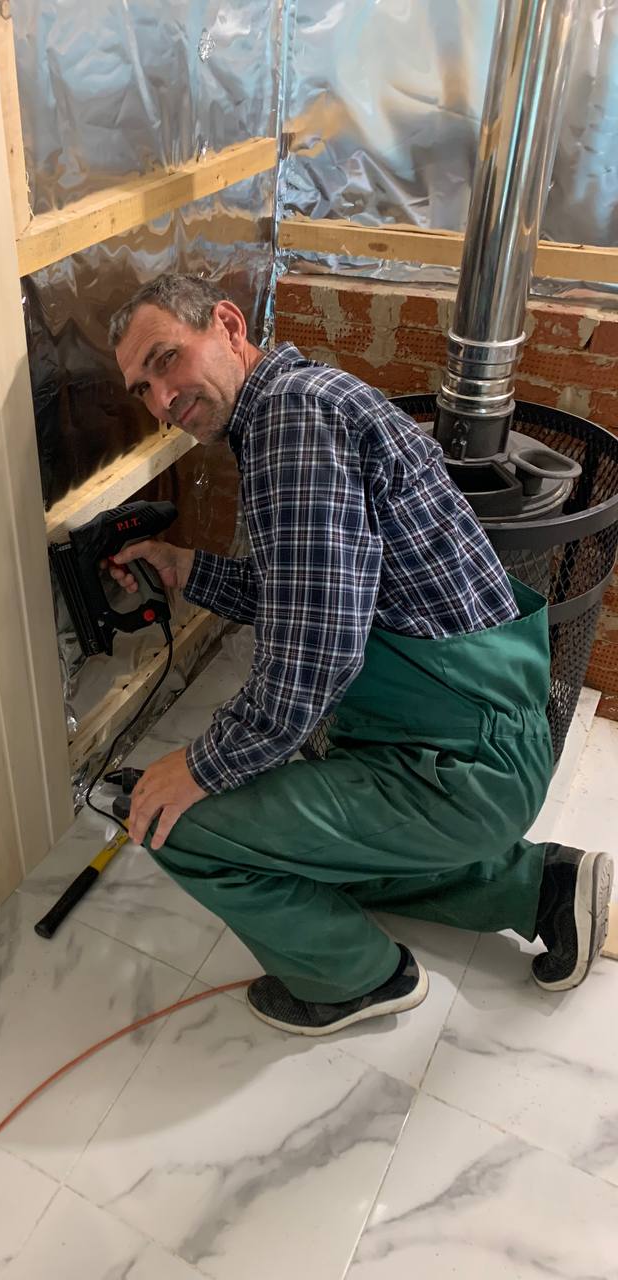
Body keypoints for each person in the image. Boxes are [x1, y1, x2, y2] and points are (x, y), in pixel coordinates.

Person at [105, 272, 613, 1036]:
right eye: (143, 389)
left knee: (174, 822)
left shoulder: (291, 422)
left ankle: (355, 981)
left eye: (166, 360)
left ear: (229, 325)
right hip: (474, 741)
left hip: (459, 765)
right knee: (310, 848)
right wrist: (187, 569)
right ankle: (544, 889)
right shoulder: (303, 402)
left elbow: (314, 653)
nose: (162, 400)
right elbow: (317, 593)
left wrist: (198, 768)